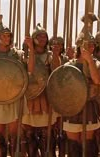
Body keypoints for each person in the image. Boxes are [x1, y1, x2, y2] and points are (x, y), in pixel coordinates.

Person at [0, 15, 34, 157]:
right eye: (4, 36)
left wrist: (31, 48)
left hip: (14, 97)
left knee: (14, 135)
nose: (7, 38)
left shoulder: (17, 54)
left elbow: (30, 69)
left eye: (9, 36)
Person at [63, 33, 100, 157]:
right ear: (80, 46)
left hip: (89, 106)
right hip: (72, 107)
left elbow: (97, 80)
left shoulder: (98, 65)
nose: (91, 47)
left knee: (88, 144)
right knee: (73, 144)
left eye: (93, 45)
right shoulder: (69, 65)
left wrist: (89, 61)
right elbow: (63, 88)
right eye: (88, 45)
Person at [20, 24, 61, 157]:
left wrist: (55, 54)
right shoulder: (24, 55)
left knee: (46, 133)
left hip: (46, 96)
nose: (43, 38)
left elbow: (56, 70)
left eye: (45, 36)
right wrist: (31, 48)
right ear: (33, 38)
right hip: (30, 96)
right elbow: (30, 70)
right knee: (29, 132)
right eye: (39, 36)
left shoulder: (49, 55)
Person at [48, 36, 69, 157]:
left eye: (60, 44)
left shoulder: (66, 59)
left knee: (62, 130)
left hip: (64, 97)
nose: (58, 46)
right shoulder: (48, 57)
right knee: (51, 129)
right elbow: (54, 70)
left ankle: (61, 154)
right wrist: (55, 55)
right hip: (52, 96)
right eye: (55, 44)